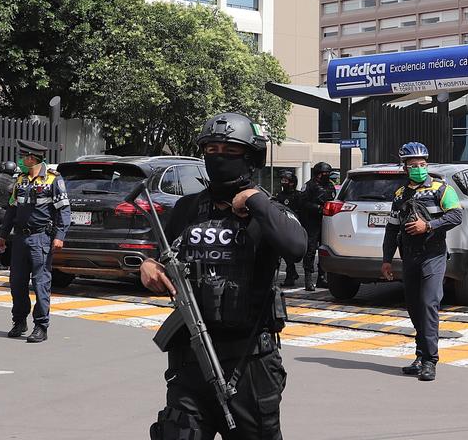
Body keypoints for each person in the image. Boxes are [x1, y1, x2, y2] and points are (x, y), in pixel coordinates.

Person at [140, 112, 306, 439]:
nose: (219, 158)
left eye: (231, 151)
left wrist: (256, 200)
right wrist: (148, 267)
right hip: (191, 358)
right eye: (211, 150)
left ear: (251, 158)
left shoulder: (267, 211)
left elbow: (296, 247)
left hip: (248, 363)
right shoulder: (188, 208)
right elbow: (162, 258)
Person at [381, 142, 463, 382]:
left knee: (428, 304)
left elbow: (456, 215)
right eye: (414, 165)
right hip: (409, 257)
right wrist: (386, 260)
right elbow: (391, 228)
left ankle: (430, 360)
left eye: (422, 164)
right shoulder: (400, 194)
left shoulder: (441, 188)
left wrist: (427, 226)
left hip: (433, 255)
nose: (419, 168)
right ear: (405, 167)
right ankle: (420, 355)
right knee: (414, 307)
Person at [0, 140, 70, 343]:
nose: (21, 160)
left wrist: (59, 236)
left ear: (32, 158)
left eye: (23, 156)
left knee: (40, 283)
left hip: (41, 238)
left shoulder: (53, 180)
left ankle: (41, 326)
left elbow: (64, 210)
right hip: (20, 239)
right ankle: (19, 321)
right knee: (17, 282)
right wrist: (3, 235)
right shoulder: (20, 180)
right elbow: (12, 209)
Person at [298, 161, 335, 291]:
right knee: (311, 250)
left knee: (325, 250)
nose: (327, 175)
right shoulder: (309, 186)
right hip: (311, 222)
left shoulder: (330, 185)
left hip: (326, 222)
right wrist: (318, 208)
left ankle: (322, 277)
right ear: (318, 174)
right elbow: (302, 203)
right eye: (325, 173)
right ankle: (308, 279)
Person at [272, 169, 302, 287]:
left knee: (289, 251)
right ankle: (291, 274)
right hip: (282, 226)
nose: (283, 182)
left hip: (294, 226)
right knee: (283, 251)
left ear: (292, 183)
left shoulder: (298, 196)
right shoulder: (279, 195)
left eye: (286, 180)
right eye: (282, 180)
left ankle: (291, 275)